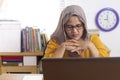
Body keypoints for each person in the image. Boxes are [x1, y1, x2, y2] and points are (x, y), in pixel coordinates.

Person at [44, 5, 109, 58]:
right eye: (69, 27)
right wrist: (62, 47)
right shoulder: (56, 41)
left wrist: (90, 45)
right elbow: (47, 66)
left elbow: (105, 64)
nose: (74, 31)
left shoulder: (93, 38)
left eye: (78, 26)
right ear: (63, 27)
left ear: (84, 26)